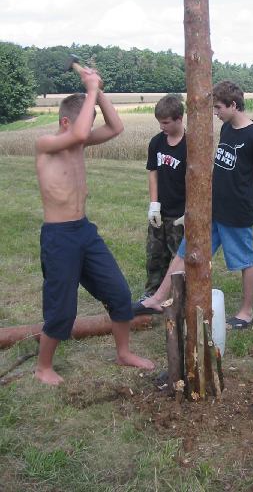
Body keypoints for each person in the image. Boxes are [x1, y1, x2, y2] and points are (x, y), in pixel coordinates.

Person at [34, 67, 155, 385]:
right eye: (81, 127)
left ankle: (123, 353)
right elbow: (77, 134)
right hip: (59, 237)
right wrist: (89, 90)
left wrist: (98, 91)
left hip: (84, 232)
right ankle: (43, 366)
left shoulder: (79, 143)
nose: (86, 135)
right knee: (62, 310)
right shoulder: (46, 144)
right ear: (64, 123)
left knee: (118, 293)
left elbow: (115, 126)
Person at [133, 80, 253, 328]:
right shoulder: (228, 129)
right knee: (186, 252)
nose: (215, 113)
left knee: (244, 259)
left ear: (233, 105)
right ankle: (157, 298)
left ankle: (246, 312)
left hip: (237, 210)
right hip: (214, 208)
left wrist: (235, 184)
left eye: (219, 108)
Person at [141, 95, 186, 300]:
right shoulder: (157, 142)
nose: (162, 127)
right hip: (161, 210)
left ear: (179, 118)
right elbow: (153, 172)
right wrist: (154, 205)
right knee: (155, 255)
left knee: (179, 257)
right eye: (159, 122)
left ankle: (178, 296)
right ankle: (151, 294)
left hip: (180, 213)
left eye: (166, 122)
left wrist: (189, 210)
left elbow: (198, 180)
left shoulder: (190, 145)